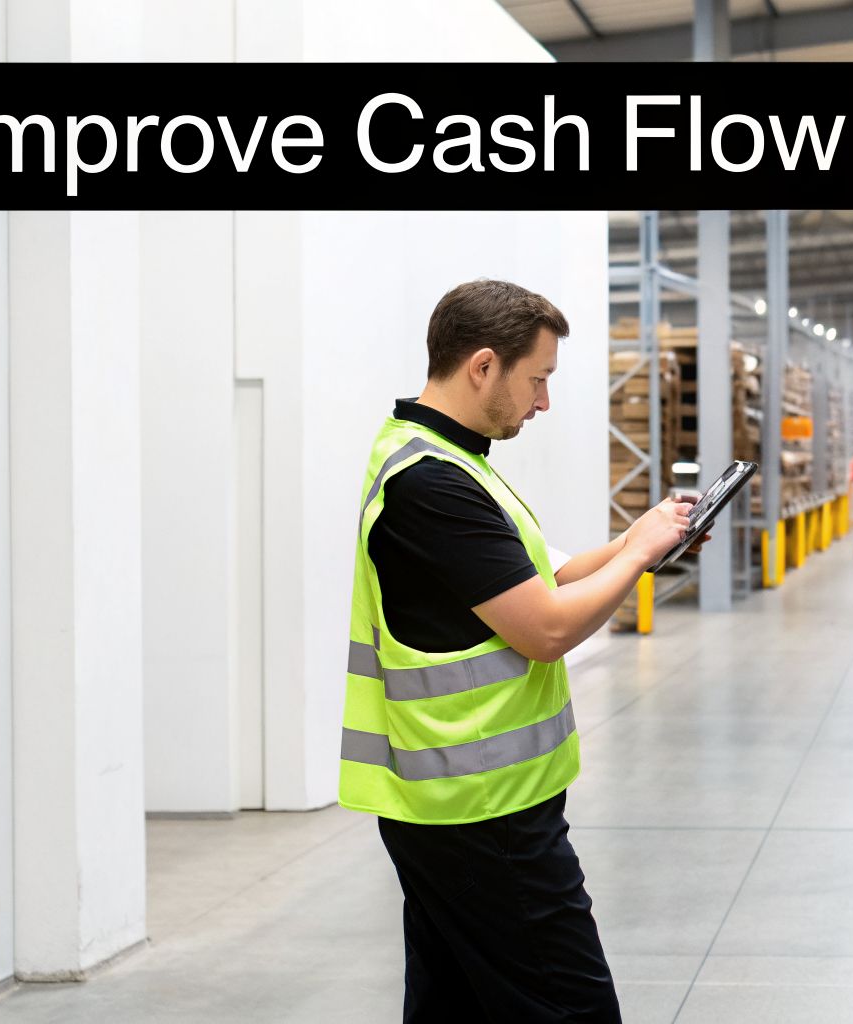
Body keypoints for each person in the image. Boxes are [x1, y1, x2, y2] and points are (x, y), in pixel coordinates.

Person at [339, 279, 705, 1023]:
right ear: (482, 367)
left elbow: (547, 572)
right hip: (481, 810)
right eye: (537, 379)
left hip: (461, 804)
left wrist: (641, 537)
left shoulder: (446, 458)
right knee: (570, 1006)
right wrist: (637, 562)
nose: (543, 402)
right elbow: (545, 628)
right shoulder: (432, 484)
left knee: (455, 1004)